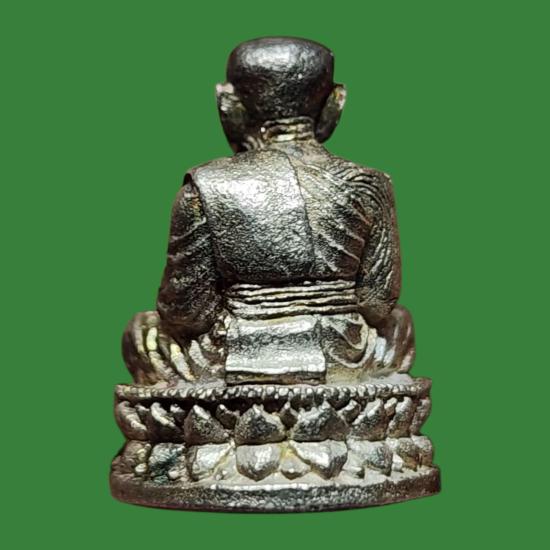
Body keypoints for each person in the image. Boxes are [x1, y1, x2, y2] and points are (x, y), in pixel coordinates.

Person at [123, 37, 414, 386]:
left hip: (231, 352)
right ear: (336, 103)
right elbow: (377, 304)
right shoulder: (368, 184)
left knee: (144, 332)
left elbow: (185, 313)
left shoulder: (206, 186)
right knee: (397, 324)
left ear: (227, 105)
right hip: (343, 351)